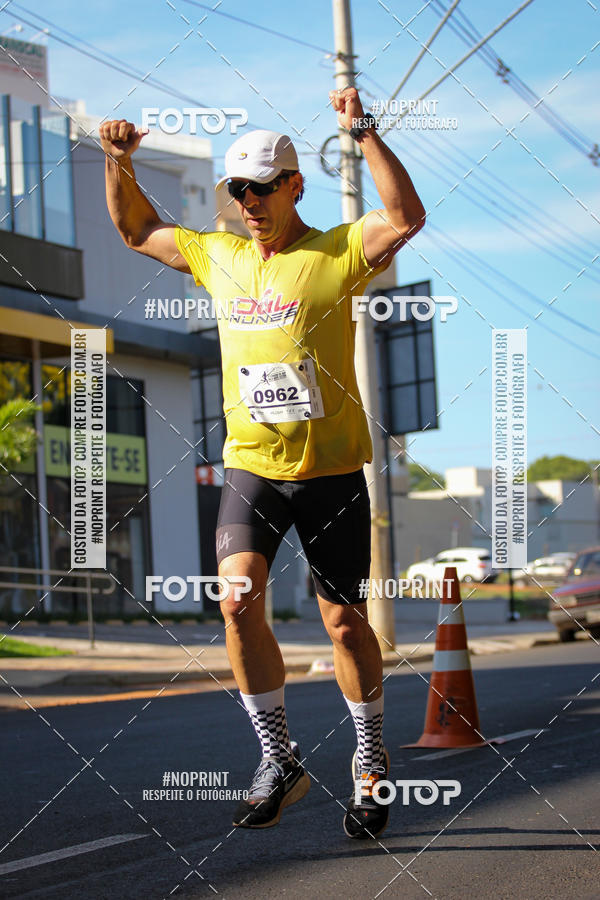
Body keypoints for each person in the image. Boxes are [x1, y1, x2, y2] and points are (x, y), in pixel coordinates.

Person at [100, 87, 425, 839]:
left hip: (332, 470)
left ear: (294, 187)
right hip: (251, 465)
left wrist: (364, 133)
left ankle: (370, 757)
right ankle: (278, 758)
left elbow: (404, 218)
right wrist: (117, 161)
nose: (247, 202)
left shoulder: (335, 251)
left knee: (344, 625)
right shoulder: (220, 257)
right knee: (237, 599)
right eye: (236, 190)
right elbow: (137, 229)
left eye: (260, 188)